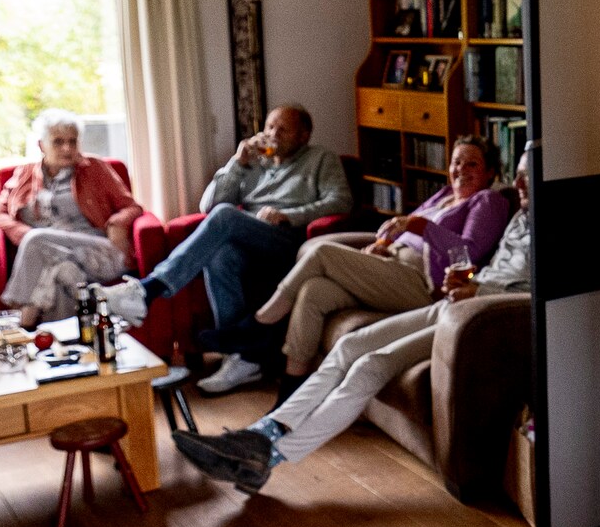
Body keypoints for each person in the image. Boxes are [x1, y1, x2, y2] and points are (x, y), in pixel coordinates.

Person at [182, 149, 531, 493]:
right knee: (349, 343)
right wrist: (463, 281)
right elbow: (480, 265)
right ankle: (263, 431)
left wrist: (477, 291)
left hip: (475, 312)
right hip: (454, 300)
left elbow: (537, 291)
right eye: (517, 174)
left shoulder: (521, 214)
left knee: (370, 364)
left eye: (528, 174)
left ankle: (267, 451)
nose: (519, 183)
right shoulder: (519, 216)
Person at [100, 103, 348, 393]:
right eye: (269, 127)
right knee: (220, 255)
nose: (272, 134)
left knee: (226, 215)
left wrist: (291, 215)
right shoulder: (255, 162)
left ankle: (147, 290)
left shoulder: (321, 159)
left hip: (289, 242)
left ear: (304, 136)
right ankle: (244, 358)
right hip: (249, 241)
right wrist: (237, 163)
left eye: (283, 129)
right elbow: (209, 205)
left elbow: (339, 201)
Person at [241, 136, 512, 385]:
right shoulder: (444, 196)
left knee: (322, 252)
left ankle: (260, 326)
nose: (461, 170)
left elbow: (470, 251)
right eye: (456, 162)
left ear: (490, 172)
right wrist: (381, 245)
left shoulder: (488, 201)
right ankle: (289, 395)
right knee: (314, 292)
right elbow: (399, 227)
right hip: (392, 268)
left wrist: (419, 226)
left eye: (472, 164)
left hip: (423, 284)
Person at [0, 110, 150, 326]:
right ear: (42, 145)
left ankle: (18, 318)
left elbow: (132, 207)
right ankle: (65, 348)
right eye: (58, 142)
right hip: (56, 256)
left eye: (73, 141)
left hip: (98, 252)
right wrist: (22, 233)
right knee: (63, 272)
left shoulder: (95, 168)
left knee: (37, 240)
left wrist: (117, 222)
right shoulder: (24, 175)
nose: (67, 148)